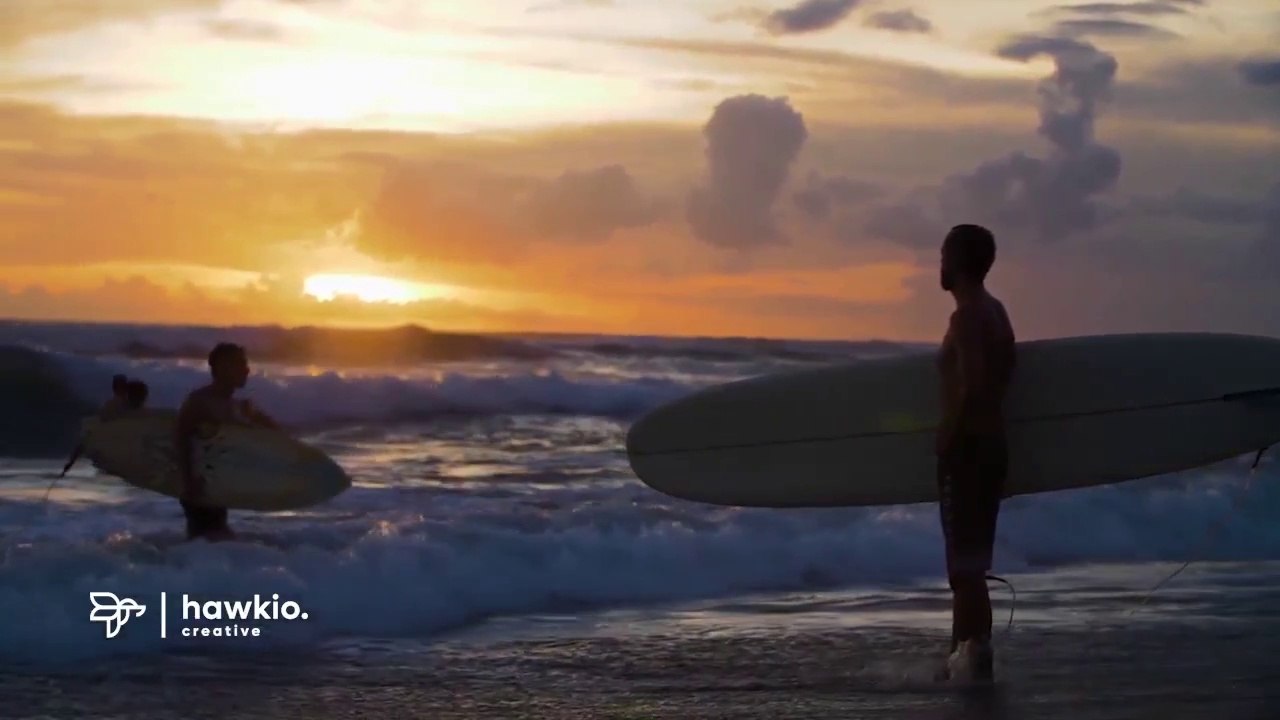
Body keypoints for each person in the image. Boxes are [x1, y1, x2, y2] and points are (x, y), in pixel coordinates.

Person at [935, 224, 1016, 683]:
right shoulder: (996, 311)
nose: (938, 266)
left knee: (963, 570)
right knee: (972, 567)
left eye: (943, 256)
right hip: (991, 448)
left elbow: (976, 382)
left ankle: (966, 665)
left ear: (956, 261)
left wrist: (948, 432)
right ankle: (966, 659)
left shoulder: (966, 317)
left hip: (967, 452)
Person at [174, 342, 279, 542]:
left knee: (211, 542)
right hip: (198, 486)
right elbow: (180, 439)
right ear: (223, 367)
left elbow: (277, 438)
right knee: (207, 541)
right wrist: (189, 482)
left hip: (216, 485)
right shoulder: (200, 401)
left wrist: (256, 417)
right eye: (240, 364)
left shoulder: (235, 406)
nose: (247, 370)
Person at [60, 374, 134, 477]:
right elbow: (91, 433)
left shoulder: (120, 405)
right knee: (87, 435)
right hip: (115, 444)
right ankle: (70, 464)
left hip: (120, 444)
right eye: (119, 386)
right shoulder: (113, 405)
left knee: (87, 436)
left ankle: (70, 464)